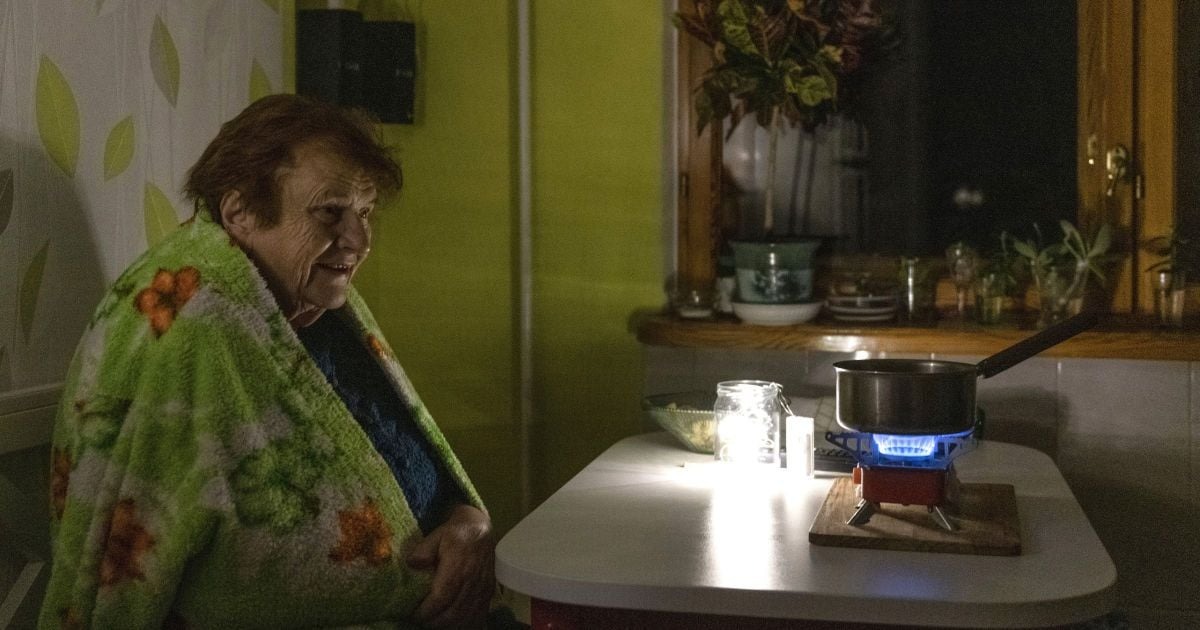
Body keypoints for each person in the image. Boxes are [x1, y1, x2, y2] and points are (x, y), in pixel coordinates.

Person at [39, 94, 502, 629]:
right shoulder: (188, 331)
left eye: (365, 212)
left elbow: (419, 465)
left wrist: (469, 523)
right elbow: (111, 581)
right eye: (330, 212)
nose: (360, 240)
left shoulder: (318, 303)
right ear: (239, 214)